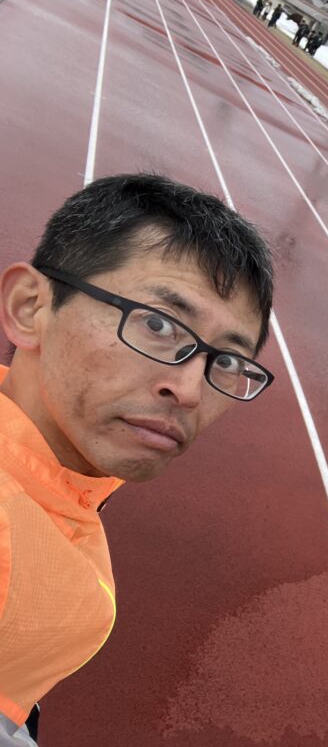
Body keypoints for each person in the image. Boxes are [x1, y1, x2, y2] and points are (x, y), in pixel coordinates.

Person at [0, 174, 275, 746]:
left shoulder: (60, 483)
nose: (190, 390)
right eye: (157, 325)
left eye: (227, 362)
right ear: (30, 308)